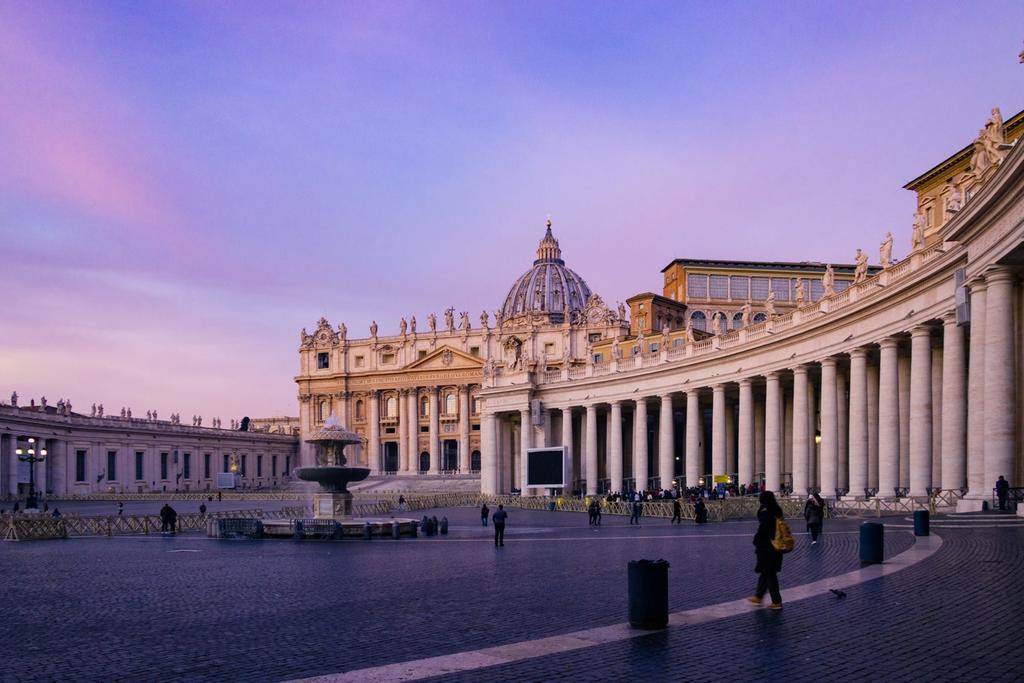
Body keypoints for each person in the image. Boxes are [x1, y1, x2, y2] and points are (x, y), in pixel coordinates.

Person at [748, 490, 784, 610]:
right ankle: (759, 596)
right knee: (766, 572)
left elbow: (763, 531)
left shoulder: (767, 513)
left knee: (770, 574)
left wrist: (756, 540)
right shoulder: (776, 510)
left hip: (768, 548)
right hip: (774, 547)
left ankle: (777, 601)